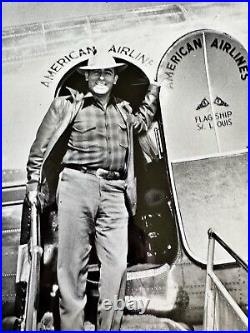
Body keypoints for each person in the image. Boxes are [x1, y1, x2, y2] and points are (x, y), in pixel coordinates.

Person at [26, 51, 160, 330]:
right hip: (76, 185)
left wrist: (154, 90)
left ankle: (109, 328)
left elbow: (143, 121)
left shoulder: (123, 109)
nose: (101, 77)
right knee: (72, 269)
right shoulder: (66, 106)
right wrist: (32, 184)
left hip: (114, 190)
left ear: (115, 77)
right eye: (96, 72)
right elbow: (40, 148)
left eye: (107, 73)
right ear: (86, 76)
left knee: (117, 266)